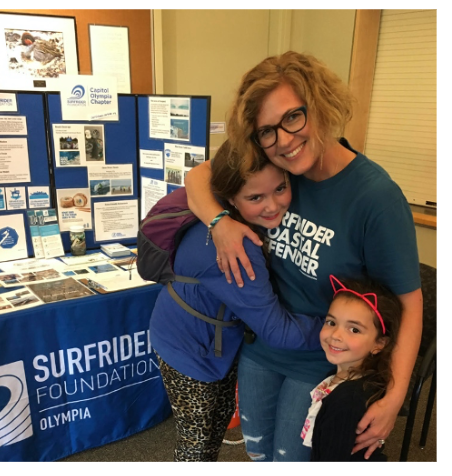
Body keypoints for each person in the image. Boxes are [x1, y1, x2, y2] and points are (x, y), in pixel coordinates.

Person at [184, 51, 422, 461]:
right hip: (261, 350)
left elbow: (409, 304)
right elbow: (198, 175)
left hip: (323, 358)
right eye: (267, 131)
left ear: (322, 105)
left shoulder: (374, 197)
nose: (285, 140)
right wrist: (220, 221)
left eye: (294, 117)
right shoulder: (277, 170)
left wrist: (395, 396)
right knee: (259, 457)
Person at [148, 142, 322, 462]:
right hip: (188, 349)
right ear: (231, 199)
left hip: (197, 334)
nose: (273, 206)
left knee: (213, 425)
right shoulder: (238, 250)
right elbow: (278, 332)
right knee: (197, 440)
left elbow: (201, 173)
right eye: (255, 197)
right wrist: (335, 328)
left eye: (280, 188)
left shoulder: (213, 208)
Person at [303, 276, 400, 462]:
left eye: (354, 329)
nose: (336, 335)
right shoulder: (340, 377)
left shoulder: (347, 402)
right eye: (331, 322)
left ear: (379, 344)